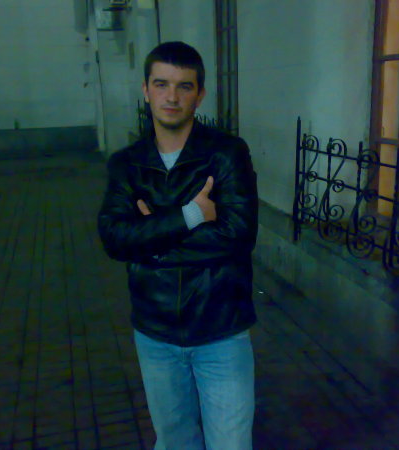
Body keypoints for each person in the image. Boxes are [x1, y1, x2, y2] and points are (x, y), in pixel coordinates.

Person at [97, 41, 258, 450]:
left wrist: (150, 239)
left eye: (184, 86)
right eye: (161, 84)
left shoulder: (226, 154)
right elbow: (114, 238)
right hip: (156, 332)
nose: (172, 97)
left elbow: (238, 236)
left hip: (220, 328)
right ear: (145, 89)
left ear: (199, 94)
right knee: (175, 442)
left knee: (231, 444)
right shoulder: (126, 164)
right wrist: (191, 216)